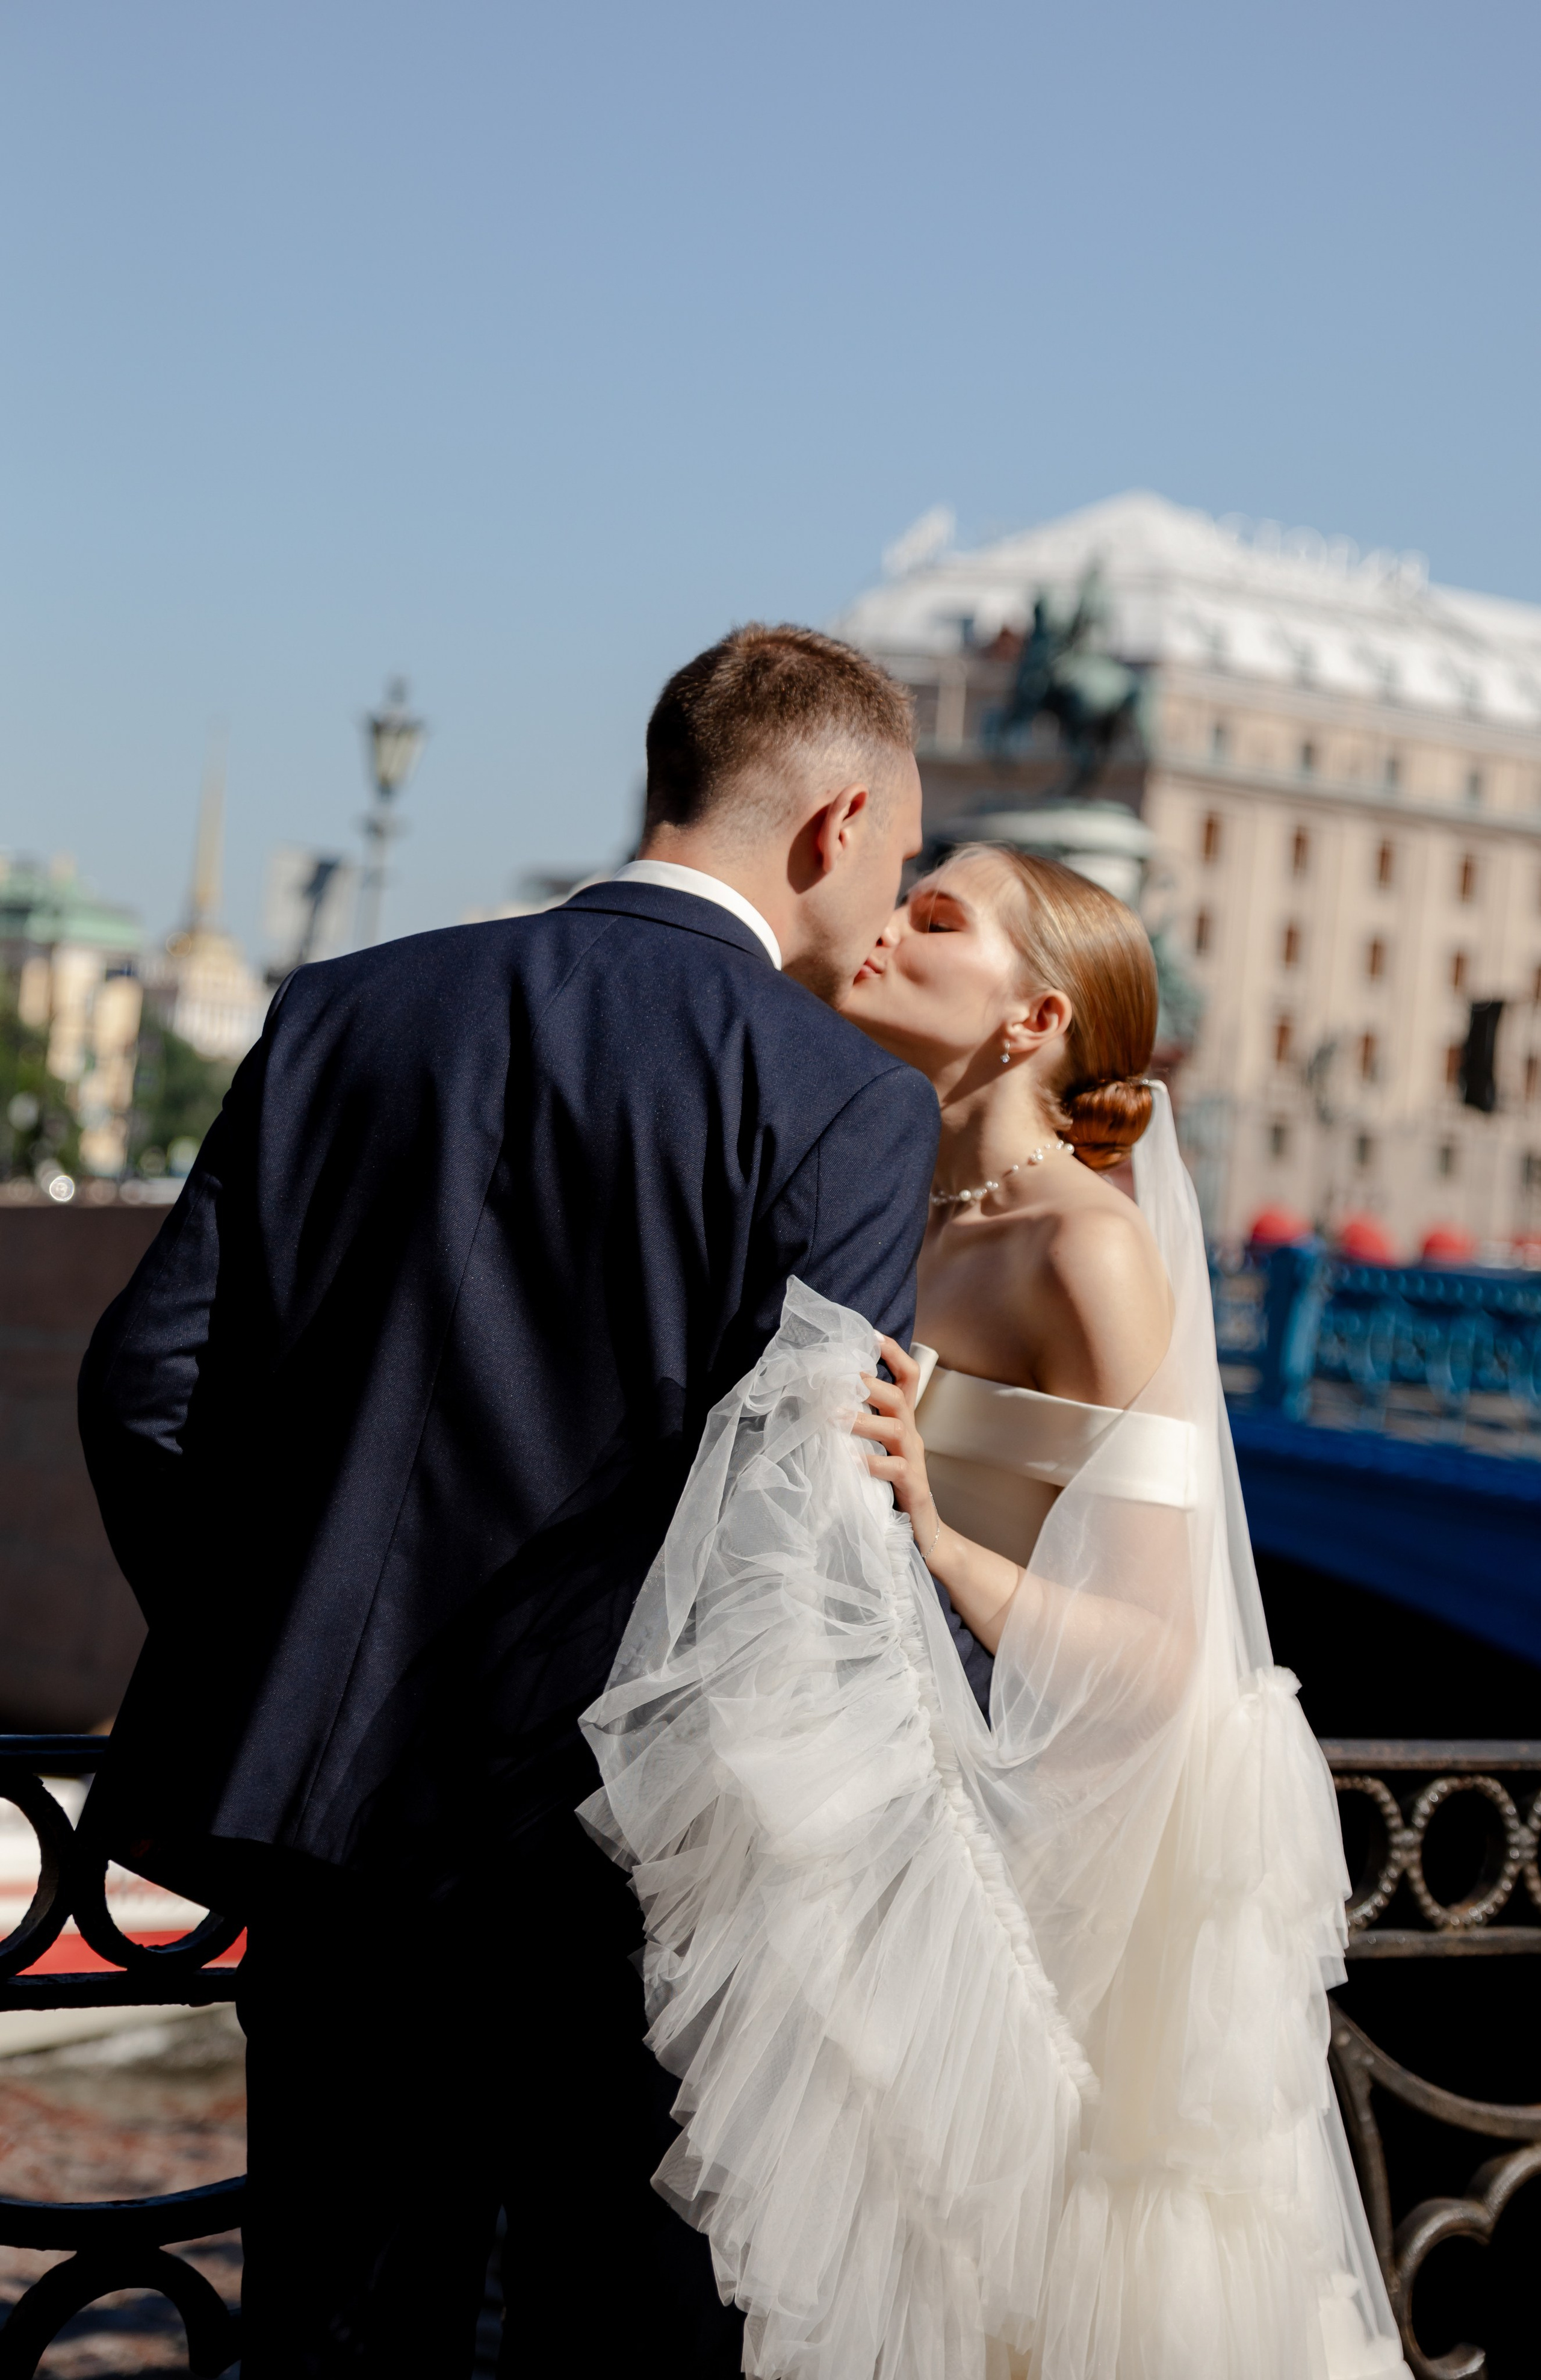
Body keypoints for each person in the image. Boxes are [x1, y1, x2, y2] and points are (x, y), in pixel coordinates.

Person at [77, 624, 938, 2378]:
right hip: (630, 1879)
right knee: (608, 2341)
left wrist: (295, 1651)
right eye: (904, 860)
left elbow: (142, 1387)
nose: (891, 904)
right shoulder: (845, 1099)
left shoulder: (343, 1009)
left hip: (331, 1845)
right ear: (836, 818)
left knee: (331, 2334)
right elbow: (804, 1544)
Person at [581, 846, 1408, 2378]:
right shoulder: (878, 1201)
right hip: (889, 1821)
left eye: (933, 917)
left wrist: (930, 1521)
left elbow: (1160, 1659)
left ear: (1029, 1020)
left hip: (1043, 1882)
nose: (882, 926)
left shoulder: (1083, 1246)